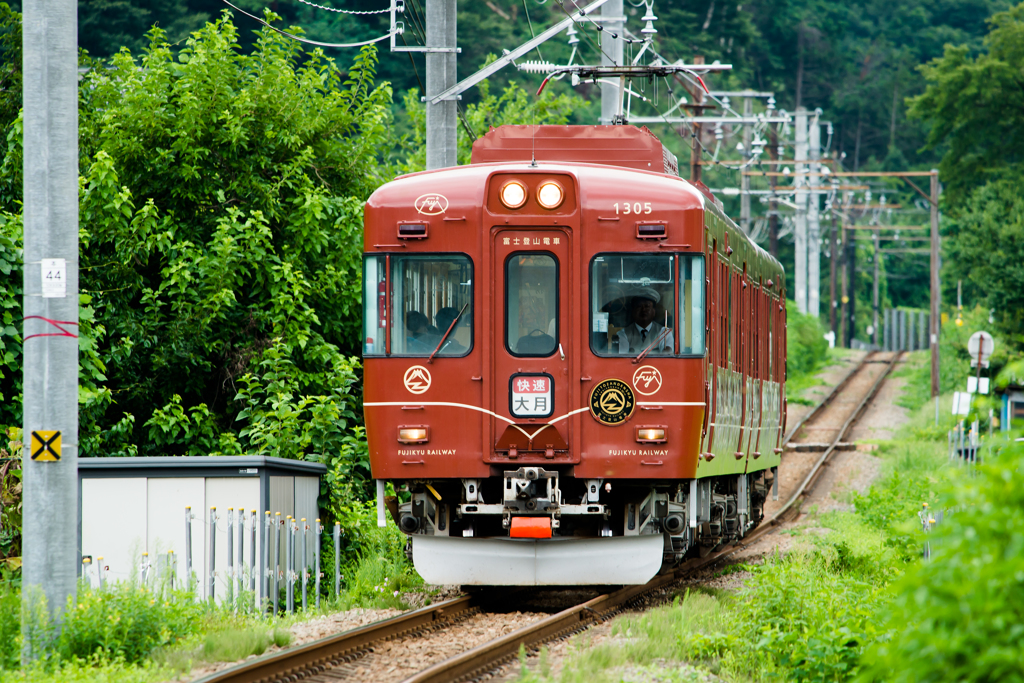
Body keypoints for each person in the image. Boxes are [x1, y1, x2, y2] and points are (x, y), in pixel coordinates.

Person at [616, 287, 673, 355]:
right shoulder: (623, 334)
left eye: (647, 306)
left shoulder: (664, 333)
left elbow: (667, 357)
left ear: (653, 311)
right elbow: (622, 359)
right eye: (639, 306)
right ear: (633, 311)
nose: (643, 310)